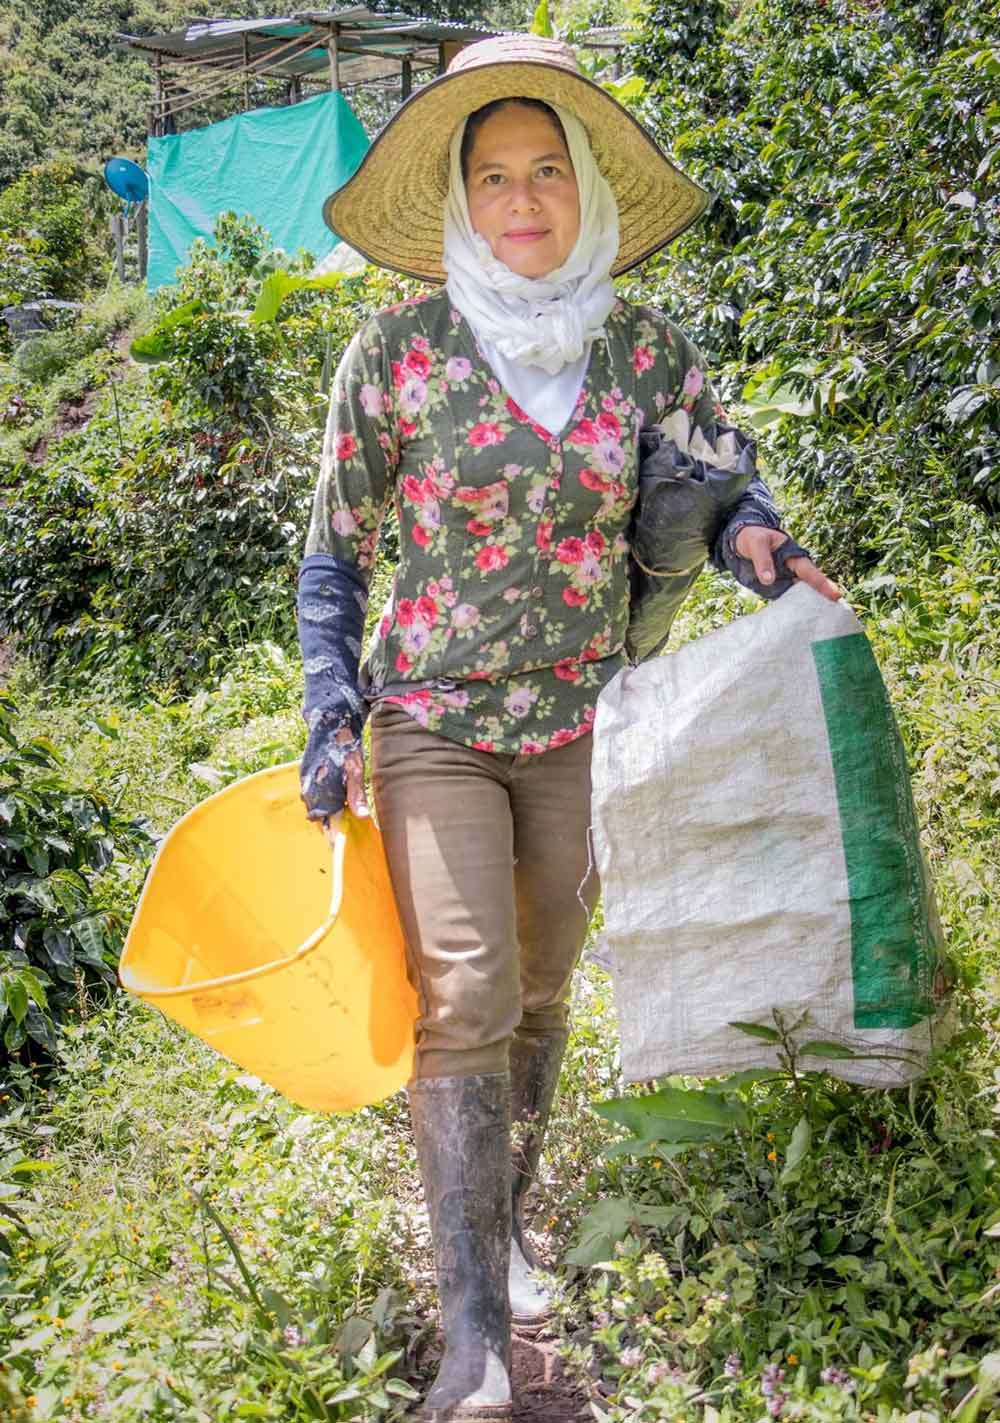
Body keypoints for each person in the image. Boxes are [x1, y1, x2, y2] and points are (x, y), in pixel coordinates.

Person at [297, 34, 839, 1423]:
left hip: (583, 716)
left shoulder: (646, 350)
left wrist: (764, 545)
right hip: (433, 719)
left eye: (548, 171)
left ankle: (510, 1226)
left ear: (586, 191)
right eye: (494, 176)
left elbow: (724, 490)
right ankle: (471, 1329)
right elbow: (334, 557)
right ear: (459, 203)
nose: (523, 199)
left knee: (541, 985)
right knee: (468, 990)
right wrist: (327, 702)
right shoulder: (398, 354)